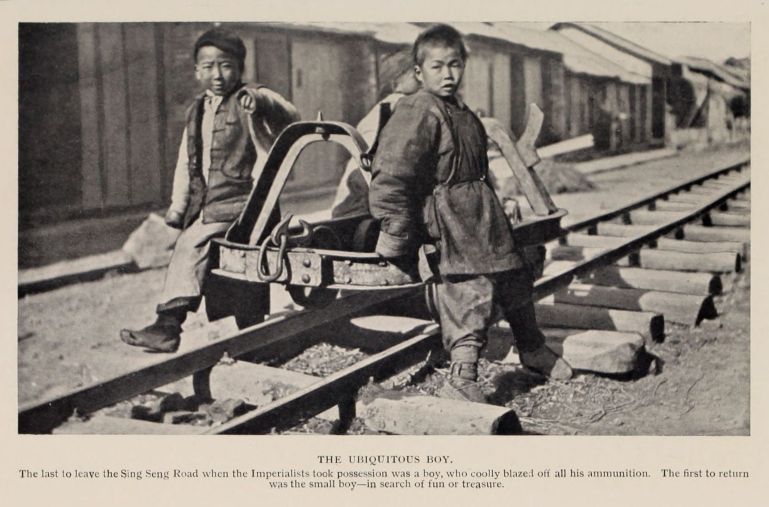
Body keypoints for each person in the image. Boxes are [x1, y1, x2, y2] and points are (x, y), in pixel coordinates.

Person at [368, 24, 572, 404]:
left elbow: (477, 170)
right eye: (437, 67)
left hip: (482, 215)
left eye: (455, 65)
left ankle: (532, 348)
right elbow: (392, 174)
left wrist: (501, 201)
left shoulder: (461, 111)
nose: (447, 74)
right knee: (469, 291)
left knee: (515, 275)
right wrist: (396, 233)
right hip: (448, 220)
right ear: (419, 73)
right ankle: (463, 377)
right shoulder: (418, 109)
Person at [120, 28, 299, 353]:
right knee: (220, 277)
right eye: (209, 66)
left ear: (240, 69)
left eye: (226, 65)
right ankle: (239, 343)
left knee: (191, 244)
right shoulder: (197, 110)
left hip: (245, 206)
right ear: (197, 71)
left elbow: (289, 114)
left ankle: (168, 325)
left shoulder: (249, 100)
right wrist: (177, 207)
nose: (217, 74)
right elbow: (186, 162)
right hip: (210, 206)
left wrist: (260, 100)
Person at [330, 49, 420, 218]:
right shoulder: (395, 107)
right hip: (359, 210)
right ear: (397, 80)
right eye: (416, 74)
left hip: (362, 207)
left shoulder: (394, 107)